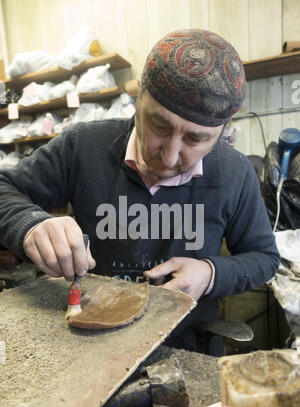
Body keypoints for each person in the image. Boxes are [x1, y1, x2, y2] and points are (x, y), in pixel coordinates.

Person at [0, 29, 280, 356]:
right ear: (138, 99)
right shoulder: (82, 147)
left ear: (220, 132)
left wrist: (210, 273)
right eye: (159, 126)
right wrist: (29, 224)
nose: (170, 154)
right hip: (90, 343)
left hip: (186, 346)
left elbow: (264, 258)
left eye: (195, 139)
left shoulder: (235, 173)